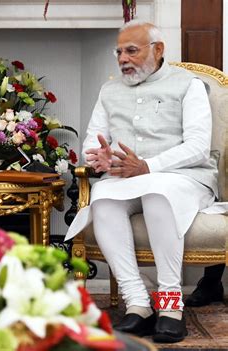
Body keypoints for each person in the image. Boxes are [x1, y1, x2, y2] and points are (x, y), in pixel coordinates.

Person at [65, 20, 218, 343]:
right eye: (119, 52)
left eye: (131, 51)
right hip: (124, 178)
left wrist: (148, 166)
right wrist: (98, 158)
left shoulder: (187, 85)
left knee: (157, 194)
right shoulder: (109, 90)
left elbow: (197, 146)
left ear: (157, 50)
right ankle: (138, 303)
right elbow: (94, 139)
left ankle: (170, 304)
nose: (123, 59)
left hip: (181, 177)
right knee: (103, 200)